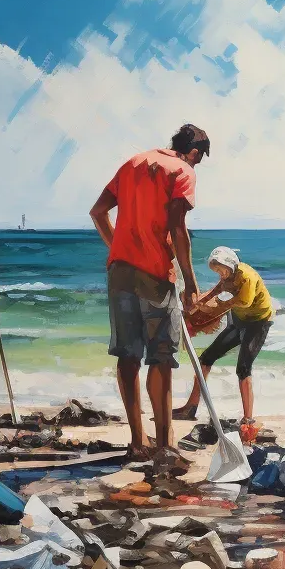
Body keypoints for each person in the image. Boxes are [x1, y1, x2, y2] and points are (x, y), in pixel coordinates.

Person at [89, 124, 210, 456]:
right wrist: (190, 282)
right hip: (156, 275)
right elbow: (177, 226)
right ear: (195, 153)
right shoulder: (183, 170)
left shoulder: (133, 163)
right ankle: (164, 444)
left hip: (120, 272)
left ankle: (137, 442)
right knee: (161, 357)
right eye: (199, 160)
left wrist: (120, 248)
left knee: (128, 356)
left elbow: (98, 212)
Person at [173, 246, 274, 440]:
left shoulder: (246, 276)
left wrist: (216, 308)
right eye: (217, 271)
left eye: (221, 270)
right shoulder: (227, 277)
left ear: (230, 265)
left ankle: (248, 419)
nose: (220, 274)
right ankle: (190, 407)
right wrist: (195, 308)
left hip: (258, 322)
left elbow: (244, 301)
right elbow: (215, 291)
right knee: (206, 358)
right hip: (238, 321)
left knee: (243, 368)